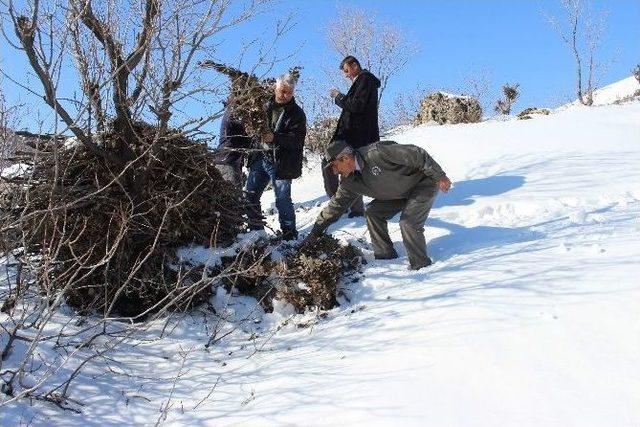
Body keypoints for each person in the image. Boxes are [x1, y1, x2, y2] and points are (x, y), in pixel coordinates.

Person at [305, 139, 452, 270]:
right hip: (398, 194)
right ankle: (385, 257)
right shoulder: (349, 182)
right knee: (372, 212)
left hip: (422, 184)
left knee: (408, 223)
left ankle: (421, 267)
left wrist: (439, 175)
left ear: (345, 158)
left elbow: (416, 154)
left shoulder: (376, 153)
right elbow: (335, 206)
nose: (335, 172)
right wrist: (315, 232)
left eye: (334, 166)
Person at [245, 72, 307, 240]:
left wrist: (275, 137)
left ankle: (289, 234)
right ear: (275, 88)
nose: (284, 95)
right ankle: (256, 230)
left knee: (282, 199)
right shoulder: (263, 106)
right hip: (260, 157)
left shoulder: (297, 114)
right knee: (250, 194)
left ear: (293, 92)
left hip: (282, 162)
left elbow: (297, 140)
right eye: (282, 90)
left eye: (288, 92)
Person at [322, 55, 381, 218]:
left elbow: (356, 106)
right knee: (349, 170)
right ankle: (353, 209)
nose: (347, 75)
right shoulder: (363, 81)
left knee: (331, 165)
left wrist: (338, 96)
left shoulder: (365, 79)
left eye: (347, 71)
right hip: (354, 134)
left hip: (357, 135)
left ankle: (342, 205)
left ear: (355, 65)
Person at [213, 106, 252, 188]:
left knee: (234, 195)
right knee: (234, 196)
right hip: (227, 162)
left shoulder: (234, 112)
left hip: (230, 161)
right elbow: (248, 127)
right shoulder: (232, 112)